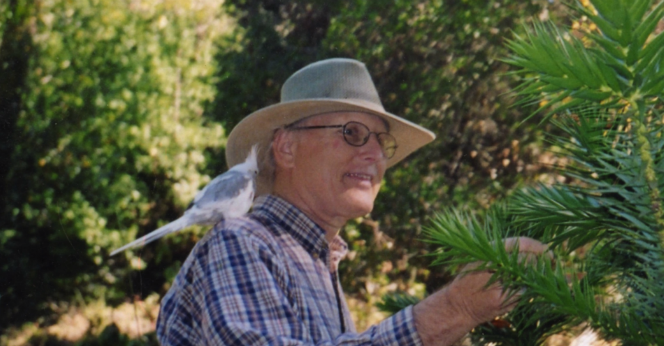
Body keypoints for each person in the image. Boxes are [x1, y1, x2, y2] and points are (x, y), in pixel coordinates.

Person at [156, 58, 546, 346]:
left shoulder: (316, 259)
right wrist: (456, 309)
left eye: (382, 141)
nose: (377, 156)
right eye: (353, 132)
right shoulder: (240, 242)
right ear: (287, 147)